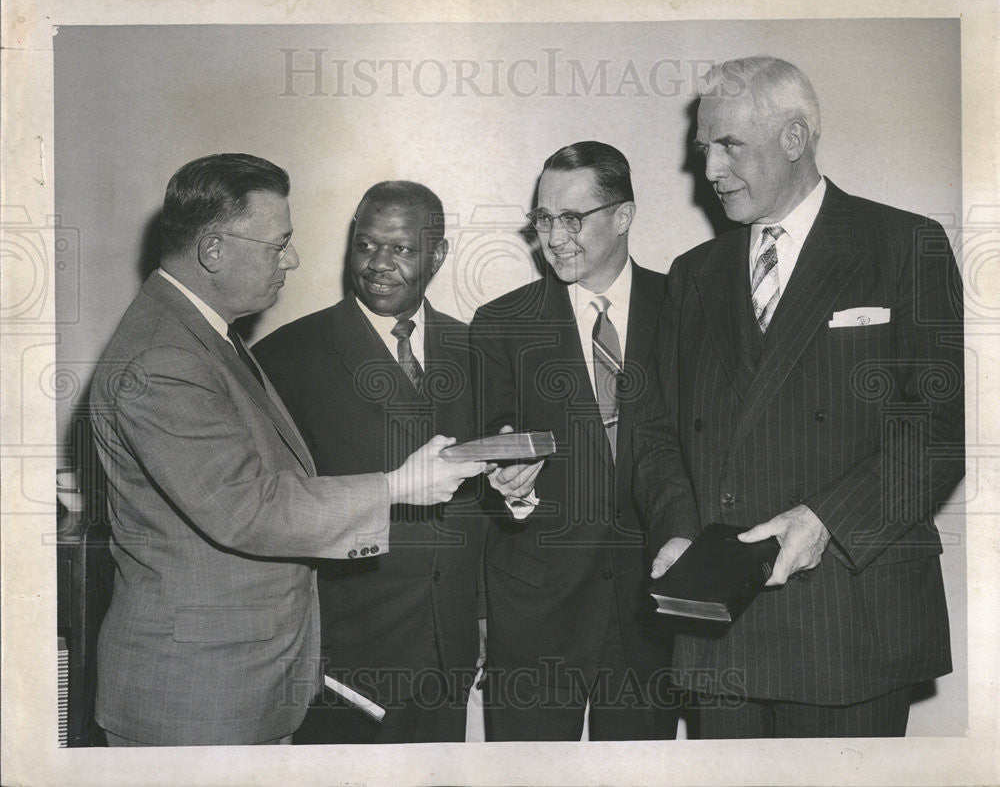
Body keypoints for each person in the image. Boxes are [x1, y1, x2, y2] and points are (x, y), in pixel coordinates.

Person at [88, 155, 484, 746]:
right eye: (278, 245)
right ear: (215, 249)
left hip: (248, 679)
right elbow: (248, 507)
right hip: (201, 693)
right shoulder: (164, 359)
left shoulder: (205, 339)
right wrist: (397, 486)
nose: (292, 259)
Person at [635, 56, 965, 738]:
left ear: (793, 138)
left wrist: (824, 522)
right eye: (705, 150)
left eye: (730, 146)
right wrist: (674, 532)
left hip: (850, 620)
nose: (710, 170)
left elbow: (939, 433)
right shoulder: (693, 275)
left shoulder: (903, 245)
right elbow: (658, 434)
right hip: (720, 630)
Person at [253, 181, 486, 743]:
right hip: (341, 657)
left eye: (401, 249)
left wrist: (481, 616)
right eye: (365, 244)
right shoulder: (284, 358)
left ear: (438, 254)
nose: (378, 264)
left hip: (449, 651)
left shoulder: (480, 349)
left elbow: (484, 506)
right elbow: (266, 509)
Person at [469, 141, 678, 741]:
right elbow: (489, 459)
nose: (554, 237)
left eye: (571, 218)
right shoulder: (502, 323)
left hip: (652, 611)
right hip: (535, 613)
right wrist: (511, 487)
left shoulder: (685, 306)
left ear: (623, 216)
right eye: (542, 218)